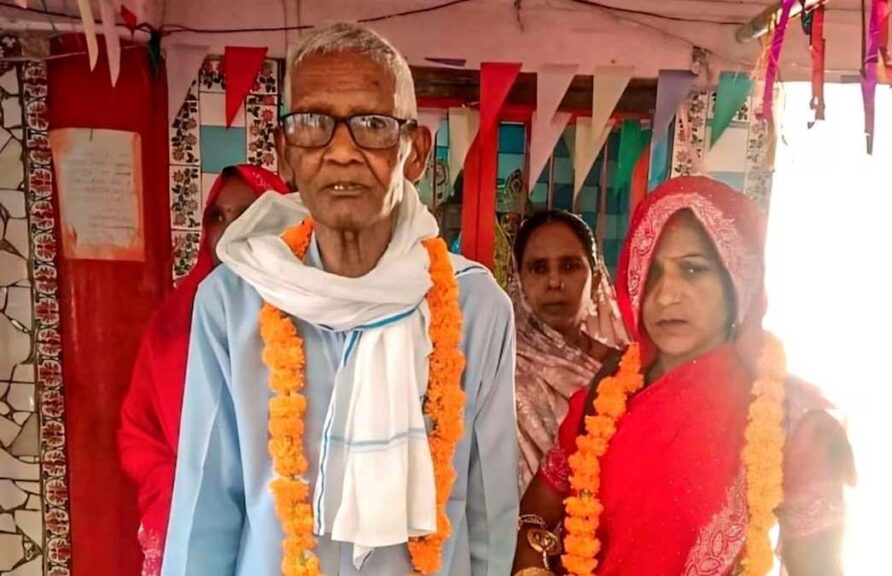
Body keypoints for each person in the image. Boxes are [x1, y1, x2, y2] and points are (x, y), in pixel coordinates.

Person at [161, 23, 518, 576]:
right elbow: (204, 513)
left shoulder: (476, 308)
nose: (343, 152)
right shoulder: (231, 303)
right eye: (313, 124)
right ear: (285, 154)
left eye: (374, 125)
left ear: (416, 152)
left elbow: (489, 516)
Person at [512, 176, 854, 576]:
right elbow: (538, 507)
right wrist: (530, 563)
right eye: (652, 272)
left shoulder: (793, 422)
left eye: (693, 269)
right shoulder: (607, 393)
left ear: (737, 277)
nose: (666, 294)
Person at [119, 164, 289, 575]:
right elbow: (137, 431)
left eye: (246, 214)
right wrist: (180, 489)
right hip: (190, 515)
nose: (229, 230)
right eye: (217, 216)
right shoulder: (172, 322)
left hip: (282, 522)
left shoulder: (308, 314)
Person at [510, 211, 627, 492]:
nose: (554, 282)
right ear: (519, 280)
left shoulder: (625, 367)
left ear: (596, 279)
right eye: (538, 268)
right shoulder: (502, 370)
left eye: (570, 266)